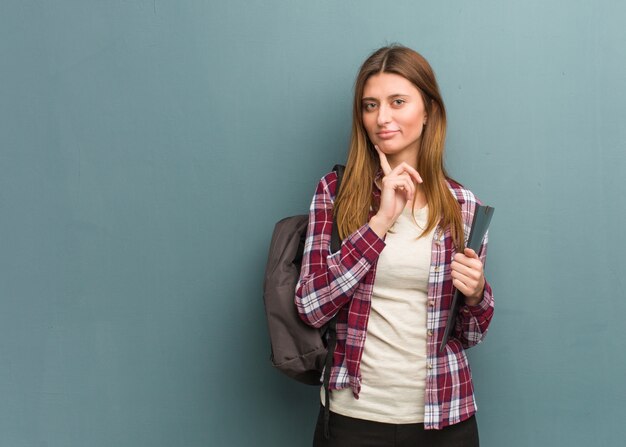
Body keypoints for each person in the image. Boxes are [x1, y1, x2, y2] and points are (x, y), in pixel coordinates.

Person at [295, 45, 494, 447]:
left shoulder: (464, 206)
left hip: (446, 417)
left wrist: (476, 295)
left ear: (428, 111)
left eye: (397, 102)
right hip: (355, 419)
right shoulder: (335, 193)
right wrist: (380, 222)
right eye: (370, 105)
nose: (381, 118)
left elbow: (468, 335)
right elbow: (311, 306)